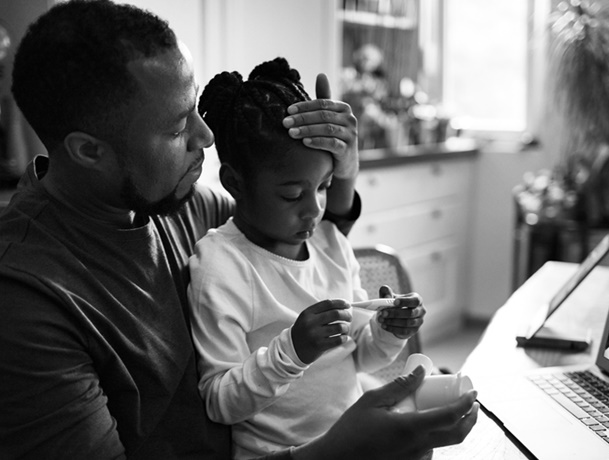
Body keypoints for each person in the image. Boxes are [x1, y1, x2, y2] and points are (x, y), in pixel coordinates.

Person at [0, 1, 478, 459]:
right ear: (89, 151)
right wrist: (335, 451)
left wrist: (343, 172)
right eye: (175, 128)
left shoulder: (182, 201)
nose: (205, 137)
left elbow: (295, 244)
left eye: (195, 110)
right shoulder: (26, 302)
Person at [189, 58, 425, 459]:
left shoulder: (330, 243)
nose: (314, 210)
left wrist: (389, 331)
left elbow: (361, 358)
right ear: (234, 183)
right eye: (292, 195)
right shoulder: (221, 265)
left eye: (323, 187)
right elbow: (219, 402)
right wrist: (292, 351)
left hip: (355, 442)